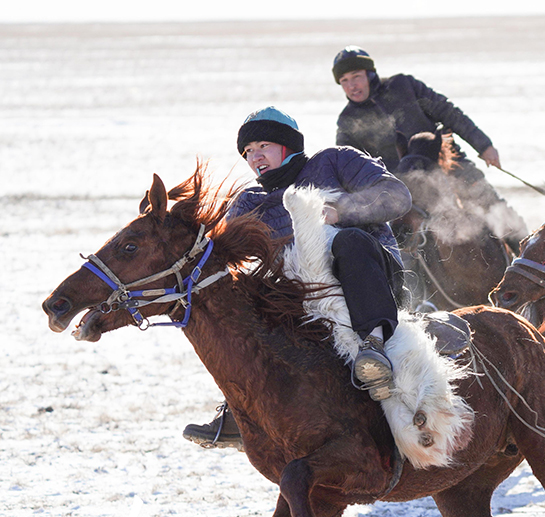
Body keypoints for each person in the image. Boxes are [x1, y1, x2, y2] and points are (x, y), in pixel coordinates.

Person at [182, 106, 412, 450]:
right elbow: (222, 254)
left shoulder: (335, 161)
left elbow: (397, 196)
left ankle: (374, 348)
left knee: (349, 240)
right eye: (247, 152)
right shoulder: (249, 202)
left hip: (369, 279)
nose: (255, 157)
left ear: (286, 145)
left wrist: (342, 211)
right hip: (304, 300)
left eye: (262, 146)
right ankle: (242, 409)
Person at [332, 46, 527, 247]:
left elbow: (447, 112)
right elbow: (349, 168)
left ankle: (528, 256)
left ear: (369, 74)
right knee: (404, 243)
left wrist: (484, 146)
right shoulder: (347, 121)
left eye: (356, 76)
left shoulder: (403, 85)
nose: (352, 85)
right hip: (405, 188)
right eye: (344, 81)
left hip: (449, 162)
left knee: (492, 205)